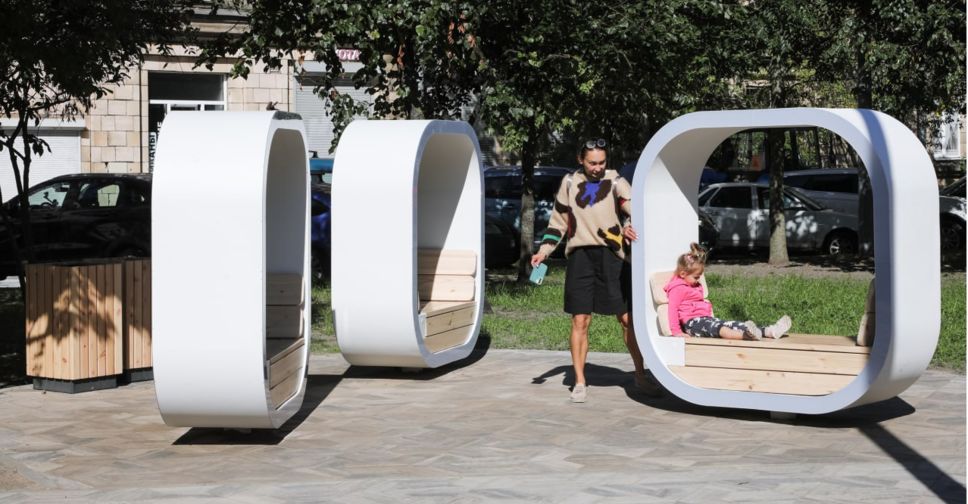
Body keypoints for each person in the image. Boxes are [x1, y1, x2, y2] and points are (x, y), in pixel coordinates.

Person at [531, 138, 659, 403]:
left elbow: (635, 210)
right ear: (581, 160)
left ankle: (640, 374)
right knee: (580, 321)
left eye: (602, 162)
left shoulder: (616, 182)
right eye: (592, 163)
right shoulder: (569, 183)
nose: (598, 168)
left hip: (612, 257)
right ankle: (579, 381)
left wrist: (629, 225)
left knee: (627, 320)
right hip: (580, 258)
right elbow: (558, 222)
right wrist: (543, 252)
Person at [666, 243, 792, 340]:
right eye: (696, 277)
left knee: (732, 324)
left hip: (706, 319)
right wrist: (677, 332)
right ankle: (747, 336)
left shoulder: (692, 284)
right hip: (692, 324)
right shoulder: (677, 288)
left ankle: (769, 331)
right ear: (683, 274)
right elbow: (672, 310)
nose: (698, 280)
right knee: (721, 329)